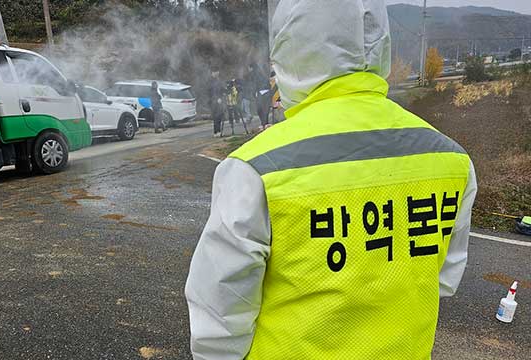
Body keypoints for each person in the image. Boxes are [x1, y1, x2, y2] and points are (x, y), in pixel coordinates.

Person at [185, 1, 477, 359]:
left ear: (293, 48)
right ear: (380, 45)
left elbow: (219, 321)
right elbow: (443, 280)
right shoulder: (451, 160)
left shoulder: (255, 169)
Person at [209, 69, 224, 138]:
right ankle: (216, 131)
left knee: (219, 117)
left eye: (217, 72)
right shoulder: (211, 81)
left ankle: (218, 131)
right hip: (214, 102)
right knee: (216, 117)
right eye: (215, 72)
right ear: (212, 73)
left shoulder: (219, 80)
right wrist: (217, 98)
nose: (217, 73)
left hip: (219, 101)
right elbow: (212, 92)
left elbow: (221, 89)